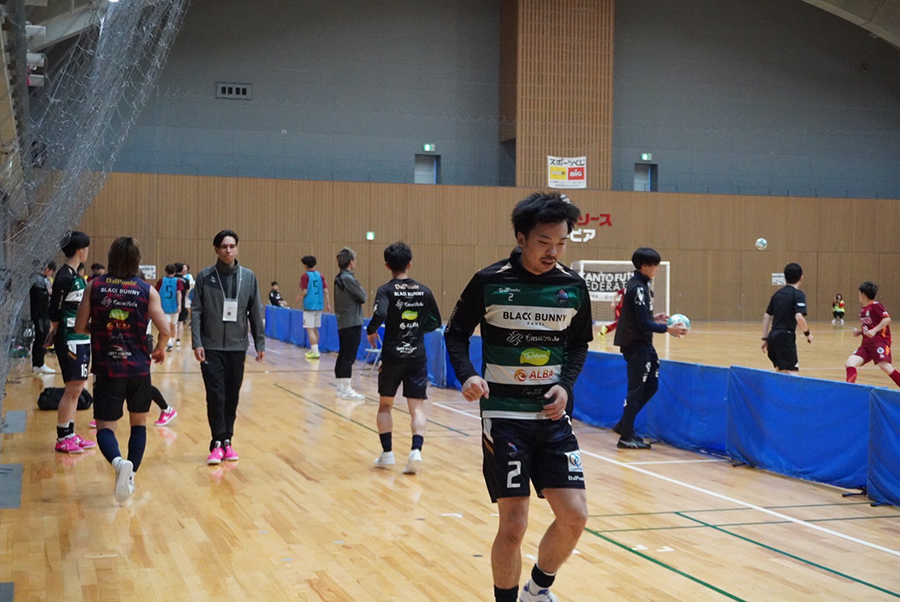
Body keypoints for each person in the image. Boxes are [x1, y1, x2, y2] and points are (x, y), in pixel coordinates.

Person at [444, 192, 593, 602]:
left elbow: (578, 345)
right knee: (513, 524)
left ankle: (537, 590)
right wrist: (467, 374)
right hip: (504, 417)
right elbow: (455, 334)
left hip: (552, 419)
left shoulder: (572, 286)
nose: (553, 252)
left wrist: (566, 385)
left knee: (575, 516)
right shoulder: (489, 281)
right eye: (544, 242)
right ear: (521, 237)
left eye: (561, 243)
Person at [74, 237, 170, 503]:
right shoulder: (146, 290)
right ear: (137, 261)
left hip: (108, 368)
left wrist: (101, 327)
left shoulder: (94, 286)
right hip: (139, 370)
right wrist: (160, 348)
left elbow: (79, 327)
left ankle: (118, 463)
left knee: (105, 427)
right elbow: (165, 329)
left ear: (111, 258)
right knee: (139, 425)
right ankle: (130, 477)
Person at [366, 242, 442, 474]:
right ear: (409, 264)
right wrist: (418, 329)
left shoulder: (386, 290)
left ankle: (387, 454)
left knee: (385, 405)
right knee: (416, 408)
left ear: (387, 265)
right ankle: (415, 451)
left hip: (392, 355)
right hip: (417, 356)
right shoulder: (424, 291)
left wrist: (371, 330)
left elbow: (380, 313)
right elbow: (436, 321)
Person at [192, 229, 266, 464]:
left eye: (232, 246)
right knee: (216, 394)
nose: (228, 250)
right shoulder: (205, 277)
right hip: (211, 347)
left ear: (237, 248)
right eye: (224, 247)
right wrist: (197, 342)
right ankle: (216, 442)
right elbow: (196, 311)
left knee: (232, 395)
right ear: (216, 249)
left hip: (237, 347)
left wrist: (260, 342)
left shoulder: (248, 277)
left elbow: (255, 311)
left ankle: (228, 441)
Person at [612, 248, 687, 450]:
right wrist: (668, 329)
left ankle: (624, 424)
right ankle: (625, 436)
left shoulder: (643, 285)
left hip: (644, 343)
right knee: (636, 390)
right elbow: (642, 324)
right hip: (636, 345)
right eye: (654, 266)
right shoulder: (637, 287)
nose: (657, 270)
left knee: (651, 385)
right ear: (644, 266)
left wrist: (654, 318)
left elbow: (640, 318)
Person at [46, 231, 95, 453]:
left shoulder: (76, 276)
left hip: (81, 337)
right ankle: (62, 436)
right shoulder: (65, 277)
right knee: (73, 388)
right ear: (79, 250)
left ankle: (71, 433)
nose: (87, 251)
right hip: (70, 339)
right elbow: (54, 309)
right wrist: (55, 330)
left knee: (77, 388)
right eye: (86, 247)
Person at [845, 281, 900, 388]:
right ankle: (850, 389)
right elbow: (869, 326)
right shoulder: (863, 310)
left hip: (880, 343)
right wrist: (860, 332)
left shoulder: (876, 306)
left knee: (885, 366)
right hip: (866, 345)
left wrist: (874, 330)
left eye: (859, 293)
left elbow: (887, 319)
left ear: (863, 294)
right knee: (850, 362)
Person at [761, 262, 812, 373]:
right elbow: (799, 317)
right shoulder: (798, 294)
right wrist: (808, 334)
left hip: (772, 337)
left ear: (785, 277)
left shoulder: (777, 294)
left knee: (780, 373)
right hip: (785, 337)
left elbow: (766, 316)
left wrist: (765, 339)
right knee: (792, 374)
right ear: (801, 278)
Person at [333, 247, 366, 399]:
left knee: (343, 354)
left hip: (343, 321)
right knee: (349, 356)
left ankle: (340, 387)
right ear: (351, 262)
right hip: (352, 321)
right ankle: (347, 389)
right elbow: (363, 296)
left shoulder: (338, 278)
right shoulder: (348, 279)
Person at [299, 255, 332, 359]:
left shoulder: (305, 276)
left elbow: (305, 291)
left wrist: (299, 297)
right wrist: (328, 304)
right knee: (315, 329)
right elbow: (325, 291)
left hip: (309, 305)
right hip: (319, 305)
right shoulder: (320, 275)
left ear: (305, 265)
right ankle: (314, 349)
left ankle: (315, 352)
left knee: (309, 330)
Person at [30, 260, 57, 375]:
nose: (51, 275)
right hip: (40, 314)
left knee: (40, 337)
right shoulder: (39, 281)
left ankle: (38, 364)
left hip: (41, 314)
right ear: (48, 269)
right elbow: (41, 299)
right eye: (51, 272)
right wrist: (49, 293)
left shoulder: (41, 280)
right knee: (41, 337)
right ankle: (39, 364)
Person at [155, 264, 183, 352]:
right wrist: (179, 305)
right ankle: (170, 343)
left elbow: (156, 292)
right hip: (174, 306)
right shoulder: (178, 281)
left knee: (167, 326)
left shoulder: (161, 281)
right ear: (175, 272)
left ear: (166, 271)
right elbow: (179, 293)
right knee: (173, 326)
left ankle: (169, 341)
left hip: (164, 306)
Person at [175, 262, 190, 347]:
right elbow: (187, 293)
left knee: (170, 323)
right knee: (180, 323)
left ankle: (170, 339)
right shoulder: (186, 281)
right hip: (182, 303)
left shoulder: (171, 279)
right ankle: (178, 340)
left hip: (170, 304)